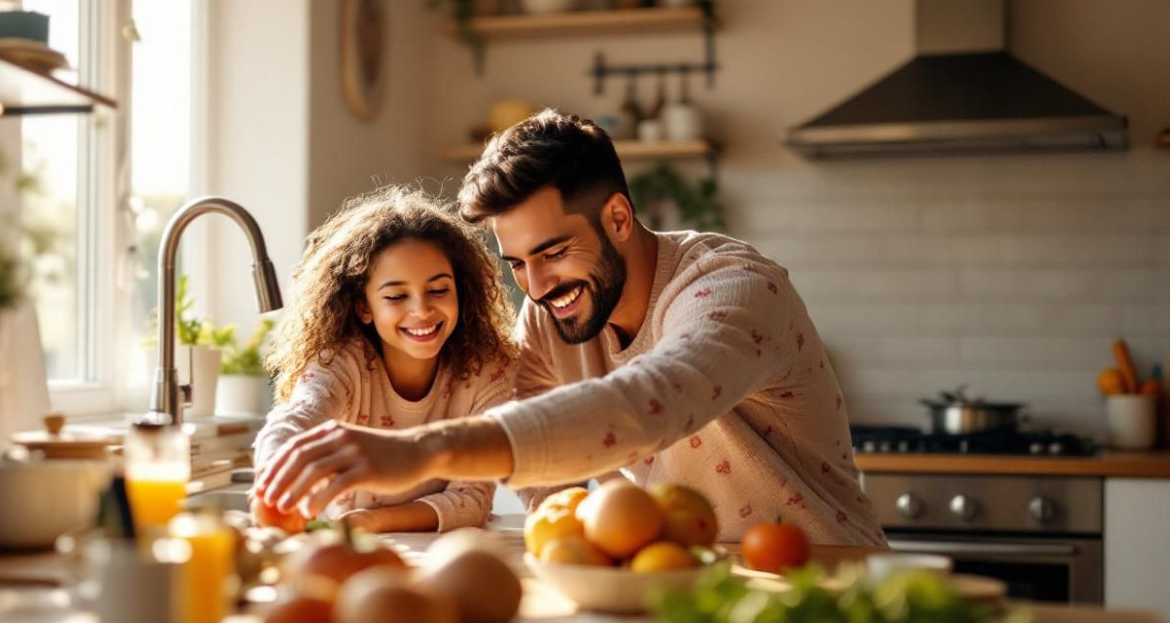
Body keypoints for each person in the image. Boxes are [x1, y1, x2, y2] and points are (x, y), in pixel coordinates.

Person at [257, 110, 885, 546]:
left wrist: (423, 450)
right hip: (675, 584)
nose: (536, 286)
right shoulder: (551, 317)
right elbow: (542, 477)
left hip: (822, 577)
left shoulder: (735, 290)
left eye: (554, 252)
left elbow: (650, 402)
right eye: (518, 264)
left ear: (617, 217)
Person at [252, 186, 515, 533]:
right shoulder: (341, 364)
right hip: (353, 556)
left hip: (440, 553)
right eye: (396, 296)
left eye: (439, 290)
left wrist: (369, 521)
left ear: (461, 292)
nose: (421, 310)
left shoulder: (488, 372)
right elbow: (296, 419)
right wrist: (274, 474)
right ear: (364, 307)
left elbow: (471, 499)